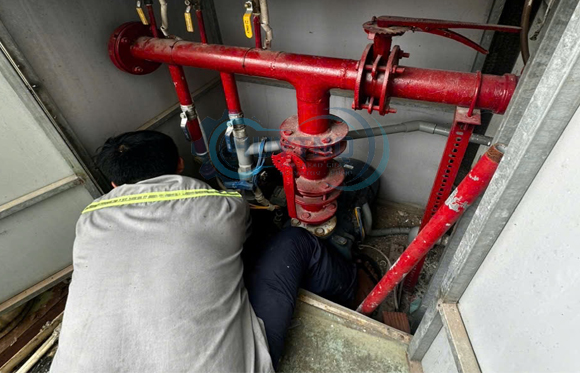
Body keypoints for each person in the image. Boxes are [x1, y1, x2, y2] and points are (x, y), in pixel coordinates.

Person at [50, 130, 356, 372]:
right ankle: (357, 289)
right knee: (294, 240)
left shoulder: (88, 219)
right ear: (179, 164)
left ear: (114, 184)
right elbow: (248, 234)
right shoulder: (223, 206)